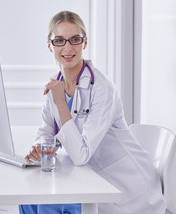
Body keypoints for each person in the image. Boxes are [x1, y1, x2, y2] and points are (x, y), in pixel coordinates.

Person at [20, 11, 166, 214]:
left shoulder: (102, 88)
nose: (68, 48)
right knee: (28, 199)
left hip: (125, 187)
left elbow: (81, 156)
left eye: (75, 39)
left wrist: (61, 102)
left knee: (47, 203)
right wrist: (40, 148)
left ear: (84, 43)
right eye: (60, 40)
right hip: (90, 179)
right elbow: (46, 133)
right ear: (49, 45)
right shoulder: (55, 83)